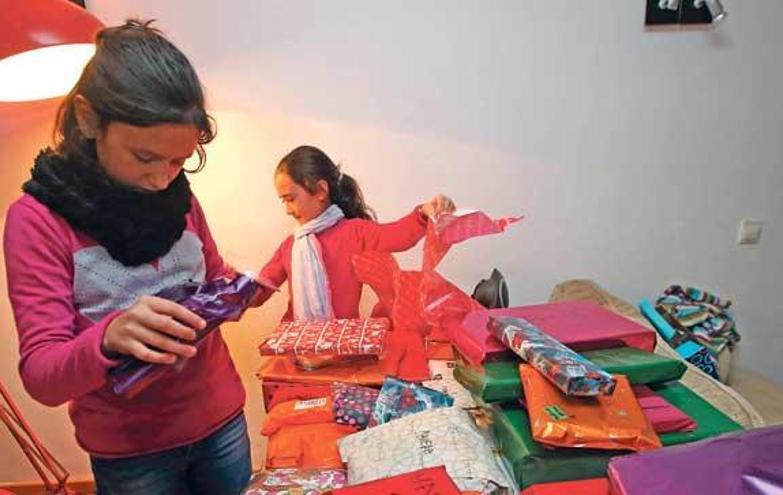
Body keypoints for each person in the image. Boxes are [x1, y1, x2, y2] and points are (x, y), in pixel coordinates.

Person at [4, 20, 250, 494]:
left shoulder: (179, 196)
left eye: (179, 161)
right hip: (133, 454)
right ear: (89, 118)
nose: (163, 179)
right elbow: (42, 376)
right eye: (144, 158)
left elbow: (214, 277)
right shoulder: (37, 220)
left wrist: (241, 289)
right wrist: (109, 337)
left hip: (221, 421)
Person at [255, 144, 455, 320]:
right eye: (284, 201)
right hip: (296, 351)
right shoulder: (290, 246)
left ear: (321, 191)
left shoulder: (354, 233)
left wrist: (424, 212)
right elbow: (260, 290)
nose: (287, 210)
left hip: (343, 349)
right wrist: (232, 289)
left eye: (290, 199)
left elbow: (398, 235)